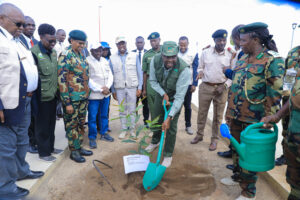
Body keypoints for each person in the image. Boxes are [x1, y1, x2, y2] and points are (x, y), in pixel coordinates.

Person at [221, 22, 284, 200]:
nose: (240, 44)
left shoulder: (272, 60)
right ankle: (237, 177)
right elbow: (235, 87)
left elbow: (275, 91)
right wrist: (228, 112)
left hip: (255, 118)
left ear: (255, 39)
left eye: (243, 40)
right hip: (235, 114)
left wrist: (271, 116)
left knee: (249, 154)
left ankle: (248, 193)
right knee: (235, 148)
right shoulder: (242, 58)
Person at [0, 3, 44, 199]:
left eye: (23, 23)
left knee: (21, 141)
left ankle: (21, 171)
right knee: (6, 149)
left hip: (24, 101)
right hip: (7, 106)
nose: (21, 27)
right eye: (18, 23)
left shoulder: (17, 40)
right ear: (2, 18)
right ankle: (6, 189)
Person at [145, 41, 191, 168]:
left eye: (173, 57)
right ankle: (155, 141)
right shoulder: (155, 60)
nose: (170, 60)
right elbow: (153, 81)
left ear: (177, 55)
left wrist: (169, 117)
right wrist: (163, 93)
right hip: (161, 93)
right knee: (157, 119)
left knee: (170, 126)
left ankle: (168, 154)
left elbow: (180, 97)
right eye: (167, 56)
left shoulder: (184, 70)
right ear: (162, 54)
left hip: (175, 97)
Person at [261, 63, 300, 200]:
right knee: (294, 178)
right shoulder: (294, 55)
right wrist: (277, 115)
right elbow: (292, 95)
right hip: (293, 131)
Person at [191, 29, 234, 151]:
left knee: (218, 116)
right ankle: (199, 135)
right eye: (219, 40)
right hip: (205, 87)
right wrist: (200, 73)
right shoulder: (205, 52)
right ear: (214, 40)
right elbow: (200, 67)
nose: (222, 42)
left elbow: (233, 75)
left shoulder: (231, 54)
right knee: (202, 113)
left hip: (222, 88)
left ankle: (214, 140)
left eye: (224, 40)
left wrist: (224, 86)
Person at [58, 30, 92, 163]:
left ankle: (79, 147)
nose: (82, 46)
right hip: (72, 99)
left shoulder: (81, 54)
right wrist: (67, 103)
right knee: (71, 125)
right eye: (79, 43)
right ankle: (74, 151)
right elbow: (62, 80)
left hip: (83, 97)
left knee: (81, 124)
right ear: (71, 40)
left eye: (84, 43)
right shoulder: (65, 55)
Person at [31, 23, 63, 162]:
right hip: (41, 97)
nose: (53, 43)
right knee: (42, 126)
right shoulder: (33, 52)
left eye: (54, 41)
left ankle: (50, 148)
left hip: (53, 95)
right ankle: (43, 152)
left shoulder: (54, 52)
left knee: (51, 124)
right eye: (50, 41)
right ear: (41, 37)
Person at [218, 24, 244, 169]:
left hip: (239, 98)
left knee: (236, 127)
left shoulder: (242, 54)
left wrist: (227, 72)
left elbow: (237, 76)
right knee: (232, 124)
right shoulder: (238, 53)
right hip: (234, 95)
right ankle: (232, 151)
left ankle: (237, 159)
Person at [110, 36, 143, 139]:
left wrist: (140, 87)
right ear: (116, 45)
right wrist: (113, 90)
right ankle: (124, 129)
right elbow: (111, 75)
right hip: (119, 88)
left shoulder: (134, 55)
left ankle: (132, 130)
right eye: (119, 44)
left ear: (126, 44)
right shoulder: (112, 58)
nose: (121, 46)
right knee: (122, 110)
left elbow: (139, 72)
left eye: (123, 43)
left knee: (132, 109)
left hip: (132, 87)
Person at [87, 42, 114, 149]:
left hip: (105, 94)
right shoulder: (87, 61)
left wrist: (107, 87)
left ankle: (104, 133)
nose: (99, 52)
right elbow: (88, 79)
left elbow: (110, 75)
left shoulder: (104, 60)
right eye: (96, 50)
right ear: (91, 51)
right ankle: (92, 137)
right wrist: (100, 89)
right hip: (94, 95)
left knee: (104, 115)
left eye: (100, 50)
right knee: (92, 117)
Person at [19, 15, 39, 154]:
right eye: (28, 25)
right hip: (23, 90)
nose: (31, 27)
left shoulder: (36, 42)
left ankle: (34, 141)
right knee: (26, 119)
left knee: (35, 116)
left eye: (33, 25)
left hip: (36, 89)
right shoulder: (17, 42)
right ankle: (29, 143)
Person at [177, 36, 198, 135]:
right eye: (181, 45)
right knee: (176, 106)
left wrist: (194, 83)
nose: (182, 47)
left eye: (184, 45)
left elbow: (195, 69)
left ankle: (188, 126)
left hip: (188, 84)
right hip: (176, 85)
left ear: (188, 44)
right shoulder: (175, 53)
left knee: (188, 106)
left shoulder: (193, 54)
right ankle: (173, 125)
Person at [142, 32, 161, 122]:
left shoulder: (165, 52)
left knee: (164, 105)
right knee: (152, 106)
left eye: (155, 40)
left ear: (159, 40)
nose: (153, 43)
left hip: (163, 82)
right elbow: (145, 72)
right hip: (151, 83)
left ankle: (163, 127)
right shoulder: (147, 54)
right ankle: (154, 127)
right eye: (151, 41)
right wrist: (144, 89)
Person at [132, 36, 149, 127]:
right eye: (138, 42)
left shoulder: (148, 53)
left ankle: (146, 121)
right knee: (134, 103)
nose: (139, 44)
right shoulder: (131, 54)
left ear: (144, 43)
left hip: (145, 82)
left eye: (141, 42)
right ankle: (133, 121)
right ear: (135, 44)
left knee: (145, 104)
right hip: (134, 83)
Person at [100, 41, 112, 132]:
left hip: (108, 89)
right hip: (97, 90)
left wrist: (108, 87)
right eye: (104, 49)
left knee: (106, 108)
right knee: (96, 110)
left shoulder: (109, 60)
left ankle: (105, 125)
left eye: (107, 49)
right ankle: (98, 126)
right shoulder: (94, 60)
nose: (105, 51)